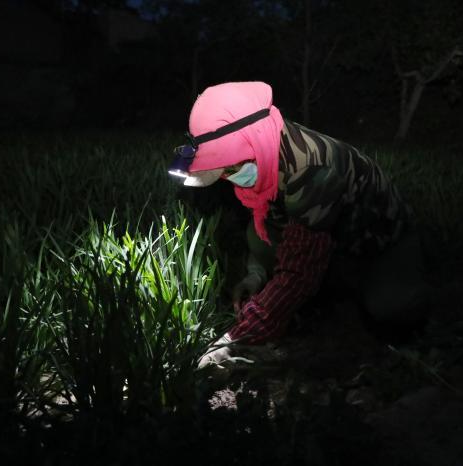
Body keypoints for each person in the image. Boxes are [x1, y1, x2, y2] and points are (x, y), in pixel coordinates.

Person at [167, 82, 427, 368]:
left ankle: (387, 302)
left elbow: (298, 273)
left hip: (381, 241)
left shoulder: (313, 169)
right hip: (327, 232)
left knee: (391, 307)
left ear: (253, 142)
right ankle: (322, 292)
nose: (228, 178)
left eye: (230, 169)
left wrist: (231, 341)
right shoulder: (264, 152)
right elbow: (272, 221)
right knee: (259, 237)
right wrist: (255, 276)